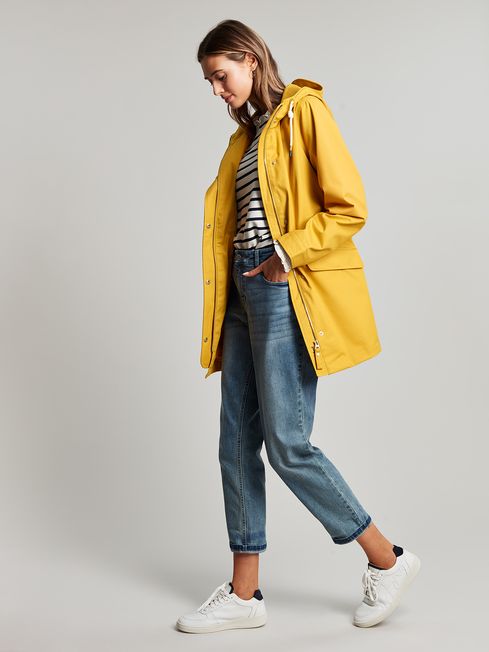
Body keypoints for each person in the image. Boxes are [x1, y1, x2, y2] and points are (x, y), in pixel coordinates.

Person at [176, 19, 421, 634]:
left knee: (287, 443)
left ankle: (387, 559)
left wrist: (284, 255)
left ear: (250, 59)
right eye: (209, 82)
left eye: (221, 76)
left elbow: (349, 206)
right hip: (242, 291)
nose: (217, 91)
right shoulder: (246, 138)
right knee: (236, 443)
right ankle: (244, 595)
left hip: (282, 286)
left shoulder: (302, 111)